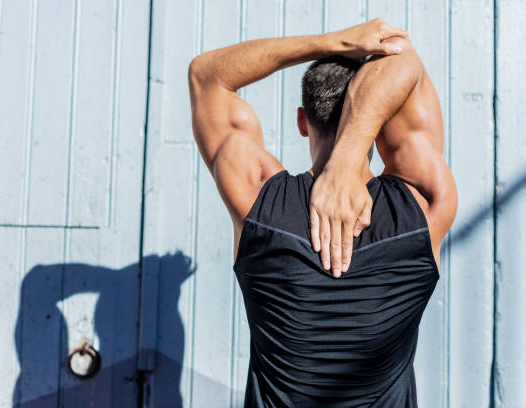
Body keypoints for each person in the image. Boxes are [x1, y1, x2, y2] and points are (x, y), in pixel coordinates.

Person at [188, 18, 457, 408]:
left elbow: (205, 76)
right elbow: (403, 56)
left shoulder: (260, 201)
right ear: (382, 121)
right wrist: (350, 158)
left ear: (303, 122)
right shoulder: (422, 205)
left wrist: (330, 42)